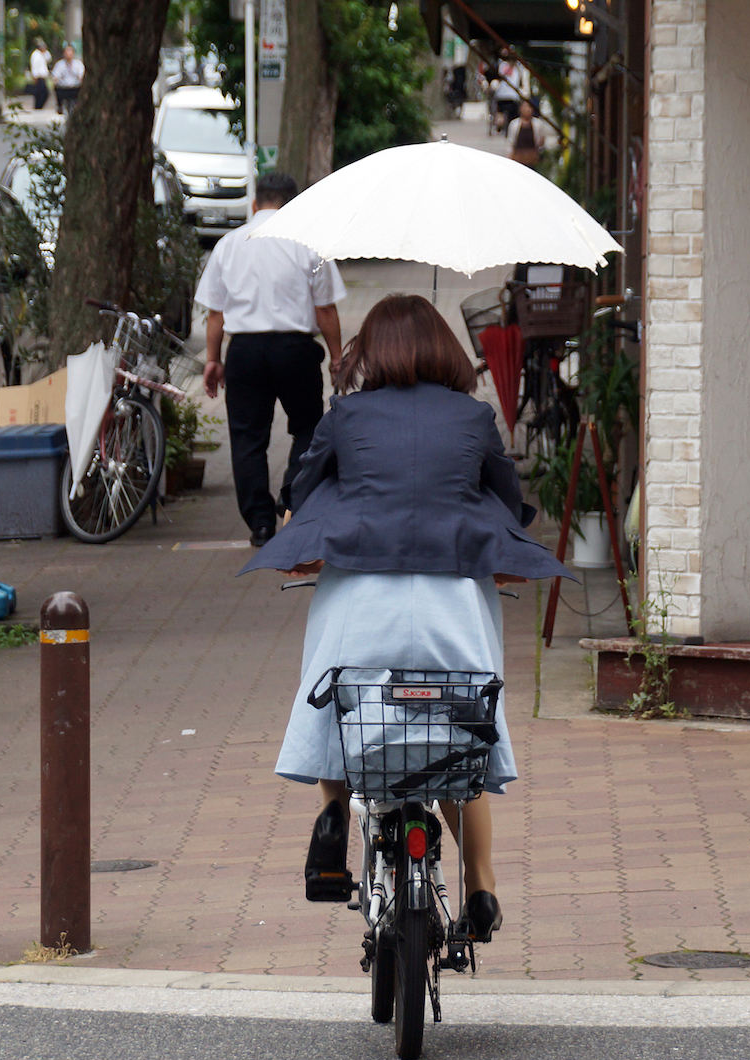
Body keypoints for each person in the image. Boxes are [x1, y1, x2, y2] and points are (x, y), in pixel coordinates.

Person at [239, 294, 575, 941]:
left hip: (361, 604)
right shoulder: (475, 419)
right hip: (454, 611)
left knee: (341, 696)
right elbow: (510, 502)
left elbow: (304, 494)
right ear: (446, 349)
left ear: (371, 351)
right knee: (458, 746)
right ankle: (481, 887)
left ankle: (333, 815)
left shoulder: (345, 415)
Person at [197, 172, 345, 547]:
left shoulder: (228, 245)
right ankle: (292, 497)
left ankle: (260, 523)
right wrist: (337, 357)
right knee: (309, 428)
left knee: (247, 438)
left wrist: (213, 359)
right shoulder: (308, 245)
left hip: (244, 352)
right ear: (293, 204)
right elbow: (325, 309)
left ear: (254, 204)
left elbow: (216, 314)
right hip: (295, 351)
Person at [504, 100, 554, 168]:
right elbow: (510, 142)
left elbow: (541, 142)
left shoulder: (538, 124)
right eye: (525, 107)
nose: (527, 110)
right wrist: (509, 157)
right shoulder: (514, 124)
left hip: (533, 159)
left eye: (529, 107)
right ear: (520, 109)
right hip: (518, 159)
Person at [492, 58, 522, 133]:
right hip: (509, 96)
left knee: (503, 112)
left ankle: (500, 123)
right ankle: (502, 123)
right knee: (510, 114)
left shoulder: (502, 65)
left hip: (506, 96)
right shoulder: (516, 67)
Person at [52, 45, 83, 115]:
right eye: (66, 53)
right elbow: (56, 75)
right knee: (57, 89)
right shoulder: (59, 64)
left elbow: (81, 75)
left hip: (75, 87)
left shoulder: (78, 64)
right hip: (63, 87)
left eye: (70, 53)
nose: (68, 55)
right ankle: (59, 106)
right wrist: (55, 80)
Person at [28, 39, 51, 110]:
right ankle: (38, 106)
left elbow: (49, 59)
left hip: (43, 77)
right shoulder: (36, 55)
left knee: (44, 93)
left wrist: (45, 52)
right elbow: (34, 66)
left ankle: (39, 106)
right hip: (38, 77)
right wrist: (34, 76)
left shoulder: (43, 54)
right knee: (40, 93)